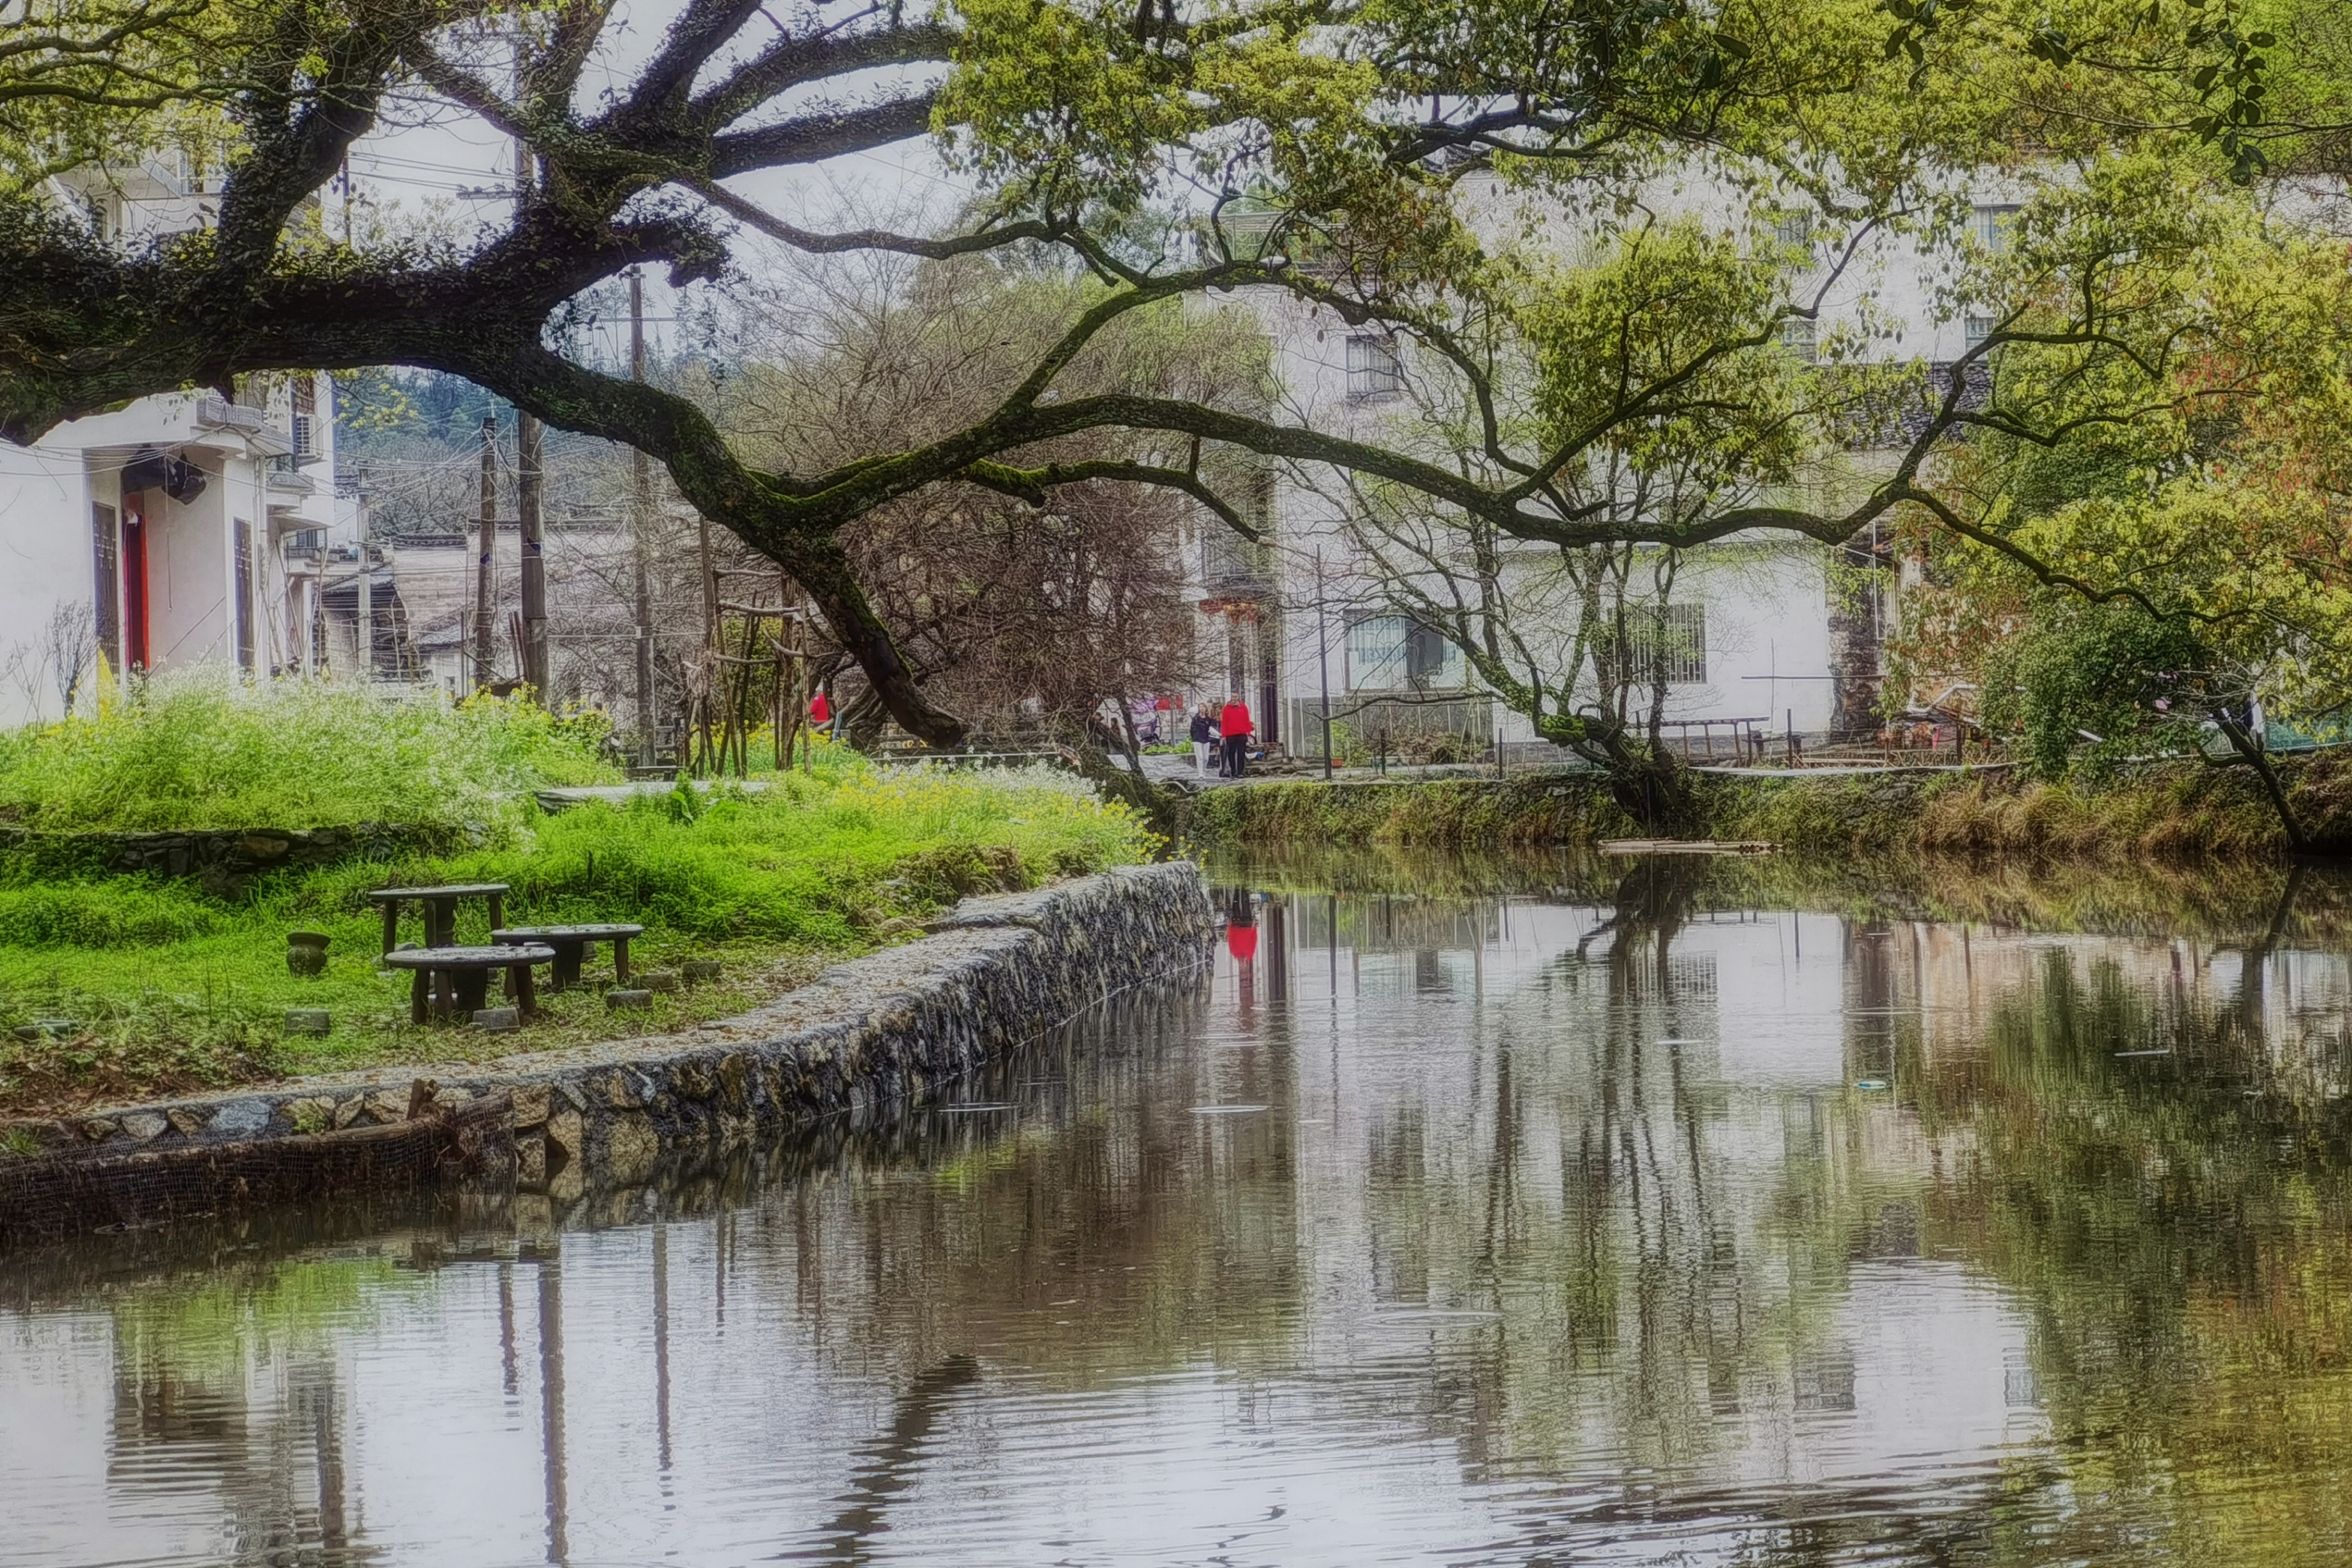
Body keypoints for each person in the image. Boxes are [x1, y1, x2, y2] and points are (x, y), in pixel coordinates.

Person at [1219, 693, 1252, 779]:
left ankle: (1240, 772)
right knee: (1231, 753)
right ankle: (1233, 771)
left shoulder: (1243, 707)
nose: (1234, 698)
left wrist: (1248, 733)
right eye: (1233, 696)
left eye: (1236, 696)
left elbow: (1247, 720)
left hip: (1241, 733)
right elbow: (1224, 722)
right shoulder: (1226, 708)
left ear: (1238, 697)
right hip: (1231, 734)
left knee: (1241, 753)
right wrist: (1224, 735)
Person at [1189, 702, 1216, 777]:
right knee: (1200, 757)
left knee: (1206, 758)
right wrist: (1194, 737)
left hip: (1206, 739)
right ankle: (1200, 773)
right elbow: (1191, 729)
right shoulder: (1196, 719)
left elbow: (1211, 728)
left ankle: (1204, 770)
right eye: (1200, 707)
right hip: (1197, 739)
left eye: (1203, 707)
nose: (1202, 709)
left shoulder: (1208, 719)